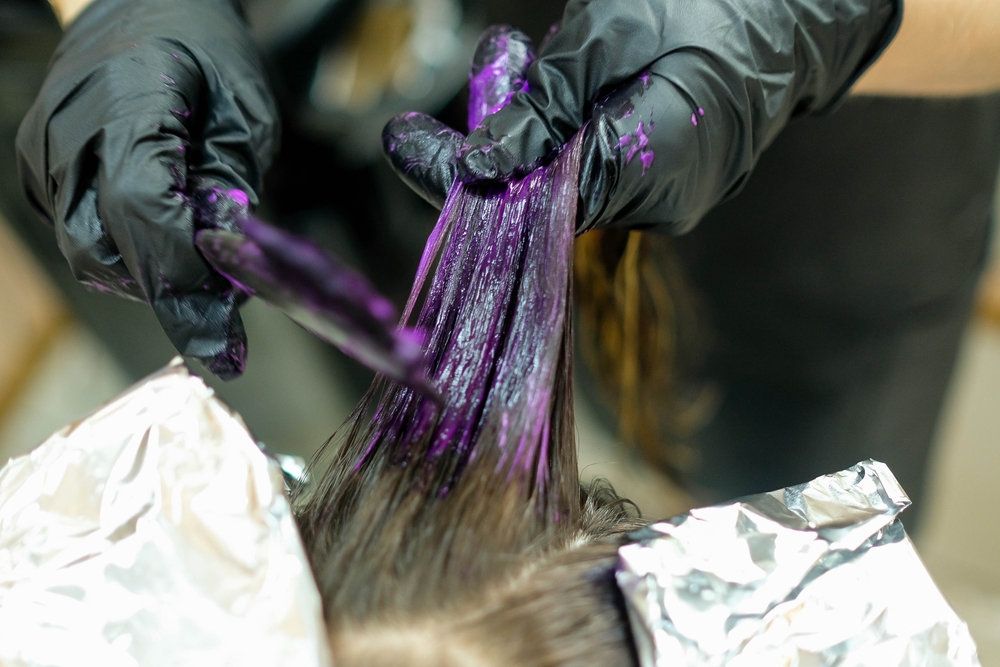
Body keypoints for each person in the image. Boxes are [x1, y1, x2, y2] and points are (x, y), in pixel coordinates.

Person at [14, 0, 1000, 524]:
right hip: (309, 69)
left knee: (790, 468)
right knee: (377, 440)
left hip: (805, 157)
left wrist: (818, 15)